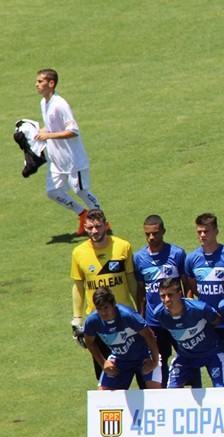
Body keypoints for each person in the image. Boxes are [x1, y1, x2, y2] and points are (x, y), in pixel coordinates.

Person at [70, 209, 138, 381]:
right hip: (98, 321)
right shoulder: (78, 253)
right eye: (90, 227)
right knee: (106, 372)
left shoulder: (123, 247)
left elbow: (131, 280)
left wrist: (139, 308)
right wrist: (77, 317)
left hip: (125, 319)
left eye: (98, 227)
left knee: (138, 366)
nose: (94, 231)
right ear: (85, 227)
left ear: (107, 225)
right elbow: (78, 286)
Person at [34, 69, 101, 235]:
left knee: (81, 191)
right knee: (53, 192)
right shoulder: (44, 103)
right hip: (57, 161)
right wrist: (37, 133)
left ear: (51, 84)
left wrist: (48, 135)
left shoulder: (60, 104)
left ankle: (102, 220)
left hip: (73, 160)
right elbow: (51, 126)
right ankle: (83, 214)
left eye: (40, 81)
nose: (37, 85)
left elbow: (73, 130)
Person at [184, 213, 224, 384]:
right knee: (218, 366)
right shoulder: (192, 259)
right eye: (199, 232)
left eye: (206, 231)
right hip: (209, 325)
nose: (202, 235)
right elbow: (192, 287)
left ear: (216, 231)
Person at [133, 214, 188, 386]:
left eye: (155, 233)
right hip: (154, 322)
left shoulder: (177, 254)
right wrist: (141, 319)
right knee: (159, 360)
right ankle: (162, 397)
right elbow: (141, 291)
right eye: (147, 234)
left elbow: (185, 286)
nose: (151, 237)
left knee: (186, 357)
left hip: (177, 319)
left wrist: (186, 313)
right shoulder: (139, 258)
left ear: (163, 231)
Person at [154, 278, 224, 388]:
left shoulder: (199, 308)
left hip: (212, 353)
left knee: (221, 390)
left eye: (170, 295)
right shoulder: (159, 314)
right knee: (171, 393)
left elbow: (216, 320)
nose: (166, 300)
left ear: (179, 294)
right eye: (162, 296)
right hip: (185, 356)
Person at [83, 287, 161, 390]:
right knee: (102, 395)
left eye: (106, 307)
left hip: (144, 356)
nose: (103, 313)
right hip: (120, 359)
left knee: (155, 393)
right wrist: (103, 363)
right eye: (99, 309)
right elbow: (89, 342)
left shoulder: (128, 316)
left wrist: (154, 361)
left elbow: (150, 335)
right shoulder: (92, 321)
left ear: (113, 304)